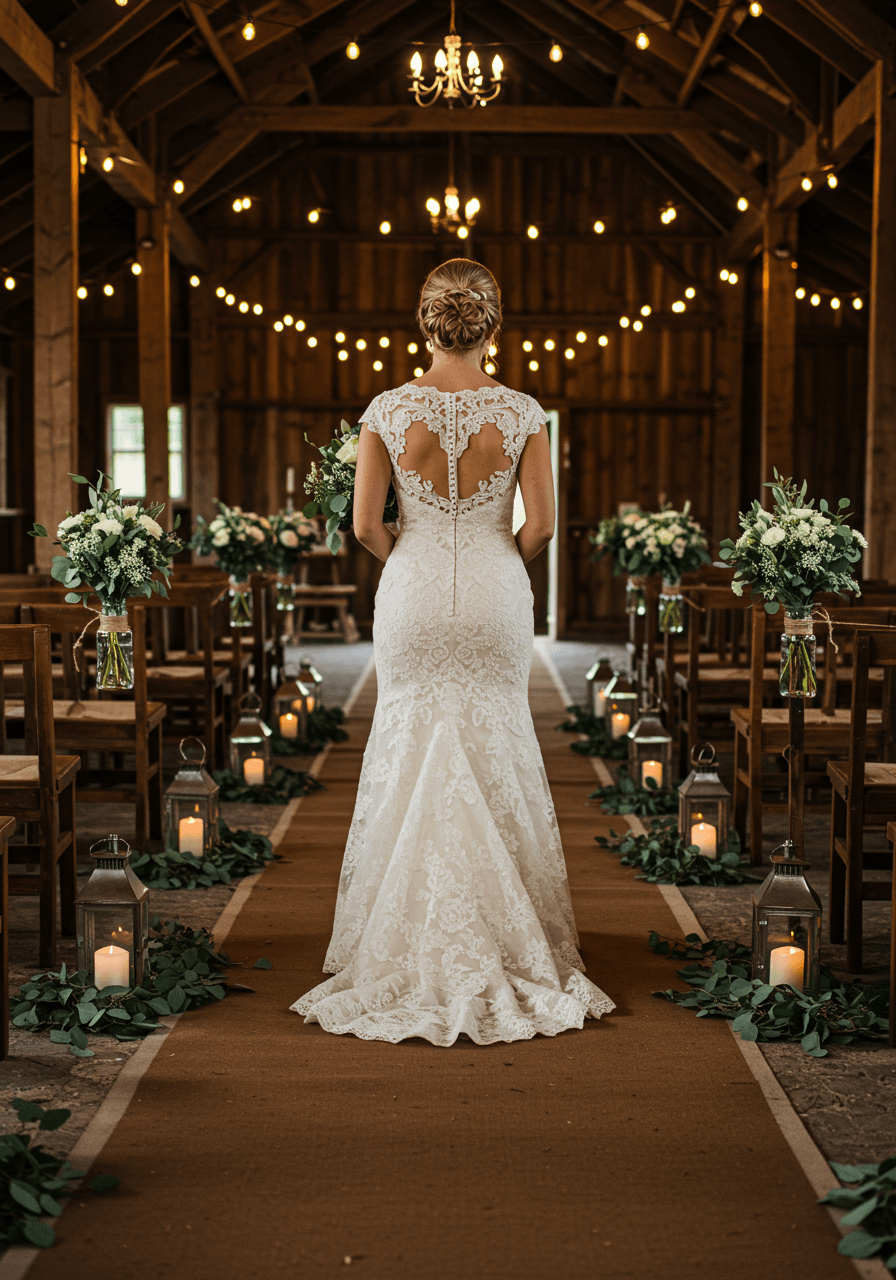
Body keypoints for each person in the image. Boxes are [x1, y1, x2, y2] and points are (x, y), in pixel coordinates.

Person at [290, 259, 614, 1044]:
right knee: (495, 738)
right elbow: (541, 525)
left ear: (424, 322)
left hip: (415, 588)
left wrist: (416, 552)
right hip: (498, 592)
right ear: (493, 325)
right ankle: (508, 936)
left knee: (411, 741)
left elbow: (366, 525)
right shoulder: (524, 411)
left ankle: (401, 933)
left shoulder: (389, 410)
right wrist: (500, 561)